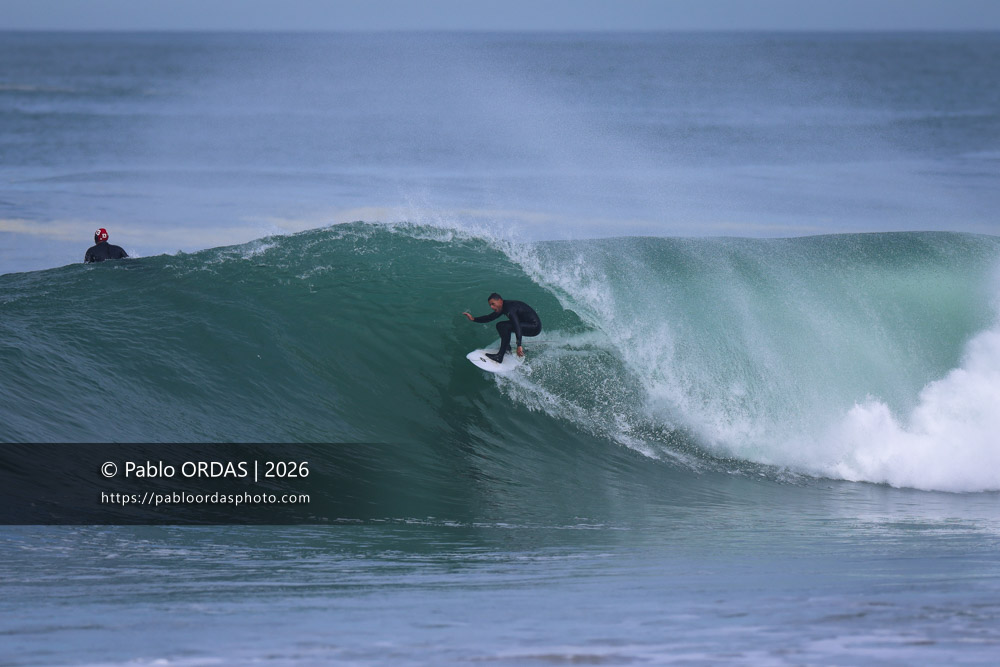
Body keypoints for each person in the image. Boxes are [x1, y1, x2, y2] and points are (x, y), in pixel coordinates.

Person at [464, 292, 541, 363]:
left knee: (503, 326)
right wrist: (473, 319)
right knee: (500, 325)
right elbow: (489, 317)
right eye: (490, 305)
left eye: (493, 304)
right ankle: (507, 349)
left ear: (500, 301)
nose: (491, 307)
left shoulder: (509, 308)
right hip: (528, 325)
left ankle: (500, 356)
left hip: (534, 327)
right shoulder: (502, 307)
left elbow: (516, 325)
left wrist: (519, 345)